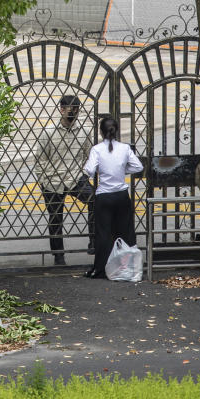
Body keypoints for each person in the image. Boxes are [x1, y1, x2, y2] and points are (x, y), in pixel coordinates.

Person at [32, 93, 96, 266]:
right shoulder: (48, 132)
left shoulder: (84, 131)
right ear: (61, 110)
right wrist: (45, 179)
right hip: (52, 181)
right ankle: (58, 255)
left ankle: (94, 241)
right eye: (70, 110)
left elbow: (87, 154)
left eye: (76, 111)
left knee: (95, 201)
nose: (73, 114)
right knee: (55, 218)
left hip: (75, 177)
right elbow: (40, 160)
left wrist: (83, 173)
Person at [81, 115, 143, 278]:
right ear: (116, 131)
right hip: (122, 195)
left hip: (104, 196)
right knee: (125, 232)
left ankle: (100, 269)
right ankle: (128, 268)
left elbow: (89, 170)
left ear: (101, 132)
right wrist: (122, 170)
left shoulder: (97, 149)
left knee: (103, 234)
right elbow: (138, 166)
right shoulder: (124, 148)